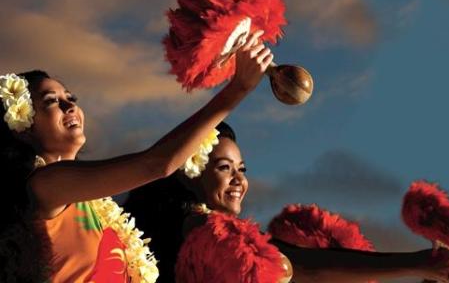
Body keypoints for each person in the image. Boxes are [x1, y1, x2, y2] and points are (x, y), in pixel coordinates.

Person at [0, 30, 272, 282]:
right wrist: (238, 89)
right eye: (51, 101)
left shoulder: (93, 201)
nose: (69, 104)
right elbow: (156, 163)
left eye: (70, 97)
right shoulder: (45, 184)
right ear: (22, 125)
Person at [125, 122, 449, 283]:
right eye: (224, 168)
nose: (239, 180)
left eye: (242, 169)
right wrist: (416, 262)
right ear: (189, 174)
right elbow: (301, 266)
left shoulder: (198, 229)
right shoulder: (200, 227)